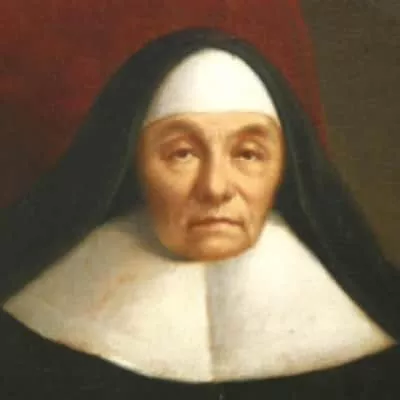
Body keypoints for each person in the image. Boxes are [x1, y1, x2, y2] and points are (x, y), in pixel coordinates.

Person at [1, 27, 400, 399]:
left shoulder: (382, 330)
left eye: (248, 154)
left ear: (284, 165)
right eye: (182, 153)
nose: (215, 187)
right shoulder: (21, 335)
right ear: (134, 163)